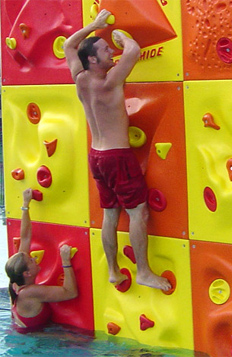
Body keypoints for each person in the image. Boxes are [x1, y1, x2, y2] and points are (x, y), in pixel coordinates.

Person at [63, 9, 171, 291]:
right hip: (117, 157)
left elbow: (68, 46)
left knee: (111, 214)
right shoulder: (110, 82)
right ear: (92, 60)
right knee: (138, 212)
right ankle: (143, 271)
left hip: (97, 157)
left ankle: (113, 270)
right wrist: (121, 37)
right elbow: (133, 50)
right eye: (104, 50)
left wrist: (95, 26)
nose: (111, 52)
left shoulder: (80, 79)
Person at [5, 188, 78, 330]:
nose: (33, 258)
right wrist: (66, 262)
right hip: (34, 339)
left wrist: (26, 204)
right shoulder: (29, 292)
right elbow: (70, 293)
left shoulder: (17, 279)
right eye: (31, 260)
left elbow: (25, 237)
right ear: (27, 273)